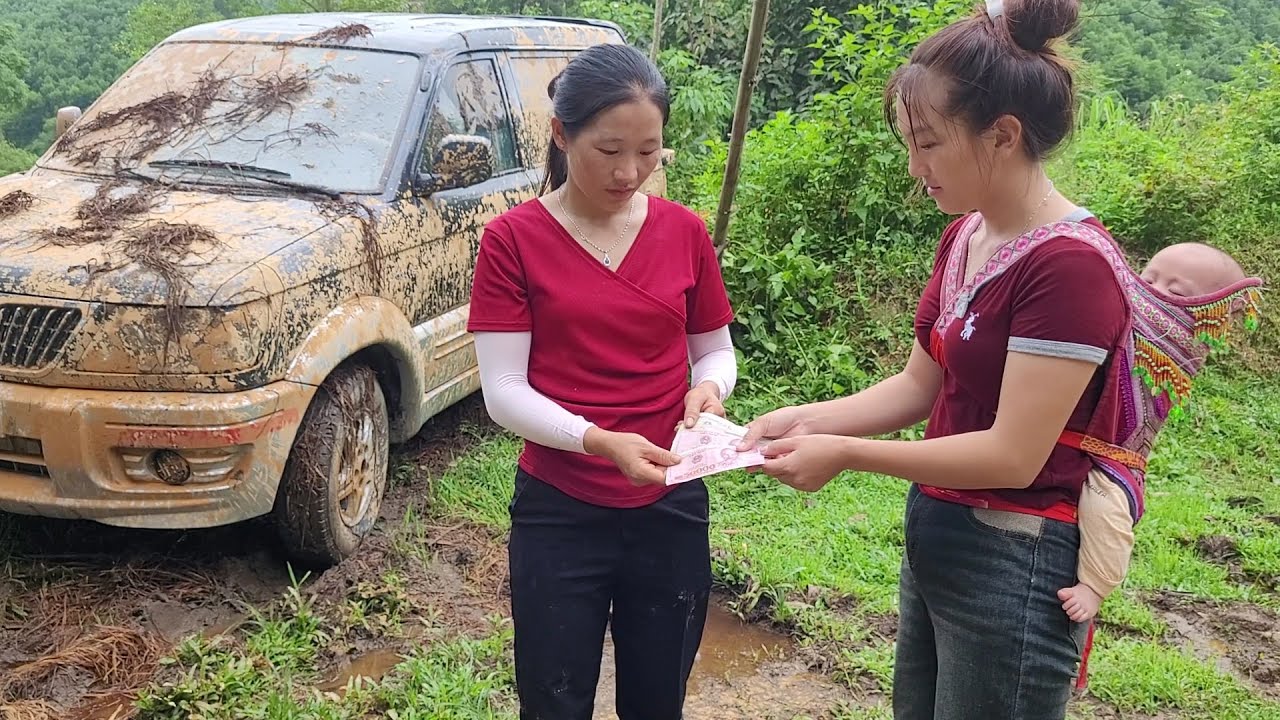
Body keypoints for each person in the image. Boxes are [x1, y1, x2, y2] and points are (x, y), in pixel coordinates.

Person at [739, 1, 1129, 717]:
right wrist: (805, 419)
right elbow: (920, 386)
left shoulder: (1068, 267)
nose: (915, 169)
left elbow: (1013, 455)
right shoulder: (967, 237)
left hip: (1014, 555)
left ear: (1003, 134)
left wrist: (845, 453)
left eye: (928, 144)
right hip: (940, 533)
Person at [466, 43, 737, 720]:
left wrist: (710, 389)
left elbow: (713, 350)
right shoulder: (512, 241)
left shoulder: (684, 232)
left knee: (658, 698)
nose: (629, 172)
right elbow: (504, 391)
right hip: (560, 509)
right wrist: (599, 441)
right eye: (609, 150)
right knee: (553, 699)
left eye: (648, 152)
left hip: (670, 500)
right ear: (562, 134)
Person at [1058, 241, 1250, 622]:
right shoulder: (1119, 307)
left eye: (1175, 291)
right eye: (1149, 278)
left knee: (1105, 508)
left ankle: (1096, 585)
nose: (1154, 292)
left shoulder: (1178, 340)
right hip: (1081, 441)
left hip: (1116, 460)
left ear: (1207, 315)